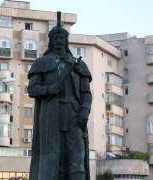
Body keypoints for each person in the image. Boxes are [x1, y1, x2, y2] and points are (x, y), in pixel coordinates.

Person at [27, 12, 92, 180]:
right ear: (50, 41)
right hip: (51, 115)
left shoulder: (78, 65)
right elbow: (32, 90)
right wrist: (49, 89)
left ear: (66, 41)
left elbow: (86, 93)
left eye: (61, 38)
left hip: (74, 114)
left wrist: (84, 111)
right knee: (52, 161)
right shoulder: (42, 63)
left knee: (77, 159)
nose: (58, 41)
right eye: (55, 38)